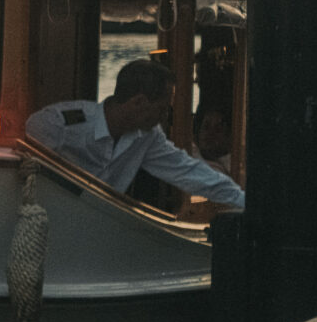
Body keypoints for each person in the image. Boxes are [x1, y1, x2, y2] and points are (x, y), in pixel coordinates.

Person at [25, 58, 244, 211]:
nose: (164, 117)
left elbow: (187, 171)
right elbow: (24, 159)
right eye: (162, 109)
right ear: (138, 102)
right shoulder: (59, 124)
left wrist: (243, 201)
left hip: (102, 228)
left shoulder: (147, 137)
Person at [191, 107, 232, 174]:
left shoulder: (234, 166)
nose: (210, 134)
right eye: (206, 127)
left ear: (228, 137)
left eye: (218, 130)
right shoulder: (189, 154)